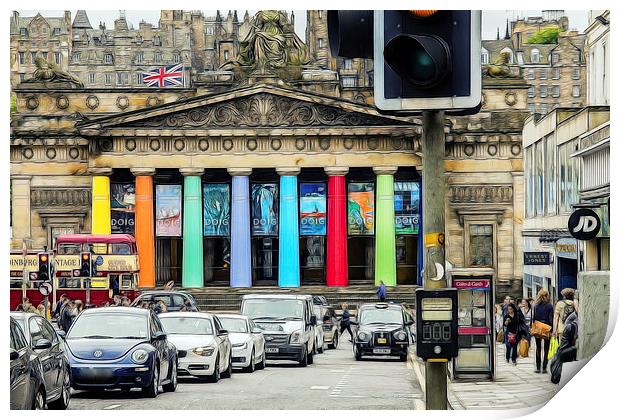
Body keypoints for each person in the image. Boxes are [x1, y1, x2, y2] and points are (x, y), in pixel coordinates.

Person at [532, 288, 554, 373]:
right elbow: (551, 318)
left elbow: (534, 318)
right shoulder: (549, 306)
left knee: (538, 348)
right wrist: (551, 329)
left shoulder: (536, 306)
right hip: (546, 328)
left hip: (538, 327)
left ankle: (538, 368)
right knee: (546, 349)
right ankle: (544, 368)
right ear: (546, 296)